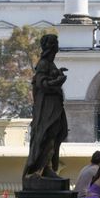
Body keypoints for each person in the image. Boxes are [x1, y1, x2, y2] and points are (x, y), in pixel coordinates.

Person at [23, 34, 68, 180]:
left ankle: (46, 168)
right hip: (47, 107)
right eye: (55, 44)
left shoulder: (49, 64)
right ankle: (39, 169)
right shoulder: (43, 64)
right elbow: (42, 84)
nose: (57, 47)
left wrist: (57, 75)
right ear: (51, 47)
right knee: (47, 135)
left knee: (55, 135)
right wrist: (58, 80)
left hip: (54, 104)